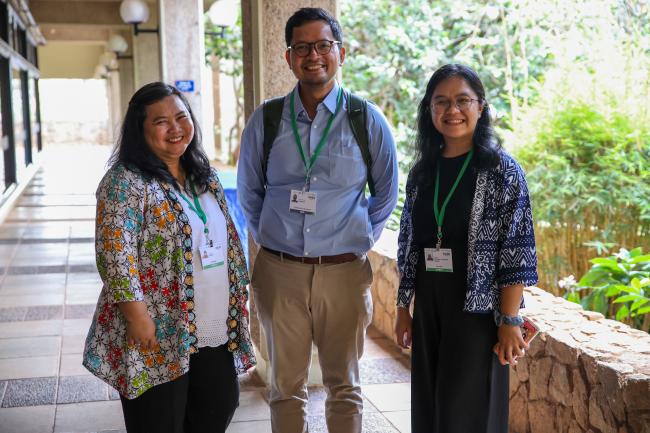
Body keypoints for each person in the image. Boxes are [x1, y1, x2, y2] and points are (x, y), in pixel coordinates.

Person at [237, 7, 398, 433]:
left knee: (344, 385)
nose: (314, 55)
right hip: (280, 271)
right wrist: (275, 242)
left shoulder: (367, 120)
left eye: (323, 45)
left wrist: (355, 240)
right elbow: (250, 193)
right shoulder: (267, 119)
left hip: (344, 272)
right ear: (288, 57)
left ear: (340, 53)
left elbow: (386, 195)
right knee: (285, 387)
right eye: (302, 47)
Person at [83, 82, 255, 433]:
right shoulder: (125, 182)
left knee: (220, 403)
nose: (175, 128)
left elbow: (227, 242)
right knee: (159, 419)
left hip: (210, 323)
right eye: (161, 122)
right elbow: (115, 253)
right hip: (157, 327)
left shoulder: (203, 175)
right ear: (140, 130)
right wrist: (137, 316)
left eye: (182, 116)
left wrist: (237, 298)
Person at [394, 64, 538, 433]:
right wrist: (403, 307)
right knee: (429, 411)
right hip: (429, 308)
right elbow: (410, 243)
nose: (451, 111)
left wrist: (509, 320)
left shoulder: (503, 171)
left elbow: (516, 252)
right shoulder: (422, 172)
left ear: (481, 107)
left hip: (476, 313)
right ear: (429, 110)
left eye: (462, 101)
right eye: (441, 101)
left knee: (468, 415)